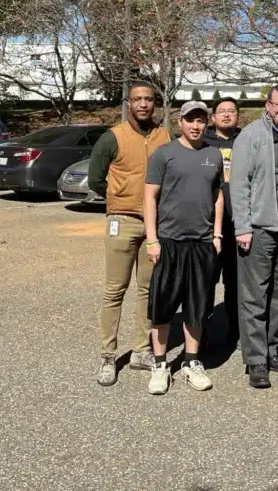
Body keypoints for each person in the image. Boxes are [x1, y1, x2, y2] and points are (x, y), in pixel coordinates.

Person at [88, 81, 172, 386]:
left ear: (155, 103)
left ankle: (140, 350)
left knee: (148, 290)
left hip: (155, 224)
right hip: (122, 221)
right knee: (114, 290)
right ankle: (108, 356)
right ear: (128, 103)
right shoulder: (113, 137)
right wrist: (117, 197)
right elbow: (95, 178)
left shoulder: (165, 135)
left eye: (149, 99)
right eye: (138, 99)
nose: (144, 104)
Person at [143, 101, 224, 395]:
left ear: (207, 123)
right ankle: (161, 364)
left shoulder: (213, 155)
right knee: (162, 307)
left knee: (197, 307)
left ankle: (191, 362)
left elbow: (218, 196)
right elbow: (150, 197)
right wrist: (152, 239)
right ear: (180, 123)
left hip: (201, 244)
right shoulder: (164, 155)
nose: (196, 125)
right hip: (169, 243)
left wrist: (216, 235)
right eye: (190, 120)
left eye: (201, 120)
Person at [230, 84, 278, 389]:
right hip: (261, 228)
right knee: (254, 295)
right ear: (268, 105)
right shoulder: (251, 136)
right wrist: (243, 227)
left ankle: (271, 347)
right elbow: (239, 184)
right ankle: (255, 360)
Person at [204, 97, 242, 345]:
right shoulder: (202, 142)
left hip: (239, 223)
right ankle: (201, 332)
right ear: (213, 117)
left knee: (235, 281)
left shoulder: (247, 140)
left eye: (232, 111)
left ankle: (236, 331)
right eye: (222, 111)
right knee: (205, 279)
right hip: (207, 223)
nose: (227, 115)